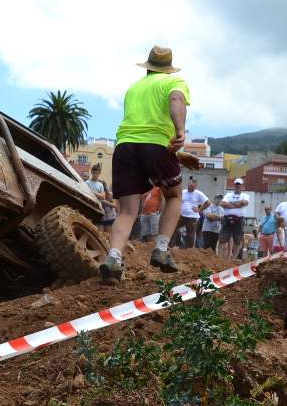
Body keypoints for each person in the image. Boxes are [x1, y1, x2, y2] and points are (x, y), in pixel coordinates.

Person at [99, 45, 199, 281]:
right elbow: (175, 100)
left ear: (148, 68)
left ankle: (113, 258)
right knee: (173, 195)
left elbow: (139, 133)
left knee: (127, 210)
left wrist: (178, 155)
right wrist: (180, 131)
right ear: (167, 69)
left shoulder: (134, 89)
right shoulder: (173, 82)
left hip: (124, 145)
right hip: (155, 145)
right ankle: (161, 250)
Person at [171, 178, 209, 248]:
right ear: (188, 184)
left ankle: (189, 250)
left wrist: (199, 209)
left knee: (190, 234)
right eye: (190, 185)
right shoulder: (183, 192)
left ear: (196, 186)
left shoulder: (198, 194)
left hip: (192, 217)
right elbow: (177, 201)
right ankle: (171, 245)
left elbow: (208, 203)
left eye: (193, 186)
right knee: (173, 229)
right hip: (181, 215)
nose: (191, 187)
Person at [218, 178, 249, 260]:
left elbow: (244, 203)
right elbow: (222, 203)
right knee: (222, 239)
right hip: (227, 219)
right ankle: (219, 258)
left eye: (239, 184)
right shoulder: (228, 195)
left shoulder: (245, 195)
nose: (237, 186)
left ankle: (233, 259)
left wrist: (229, 204)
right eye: (236, 184)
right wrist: (238, 204)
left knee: (238, 240)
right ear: (234, 185)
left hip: (239, 220)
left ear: (242, 185)